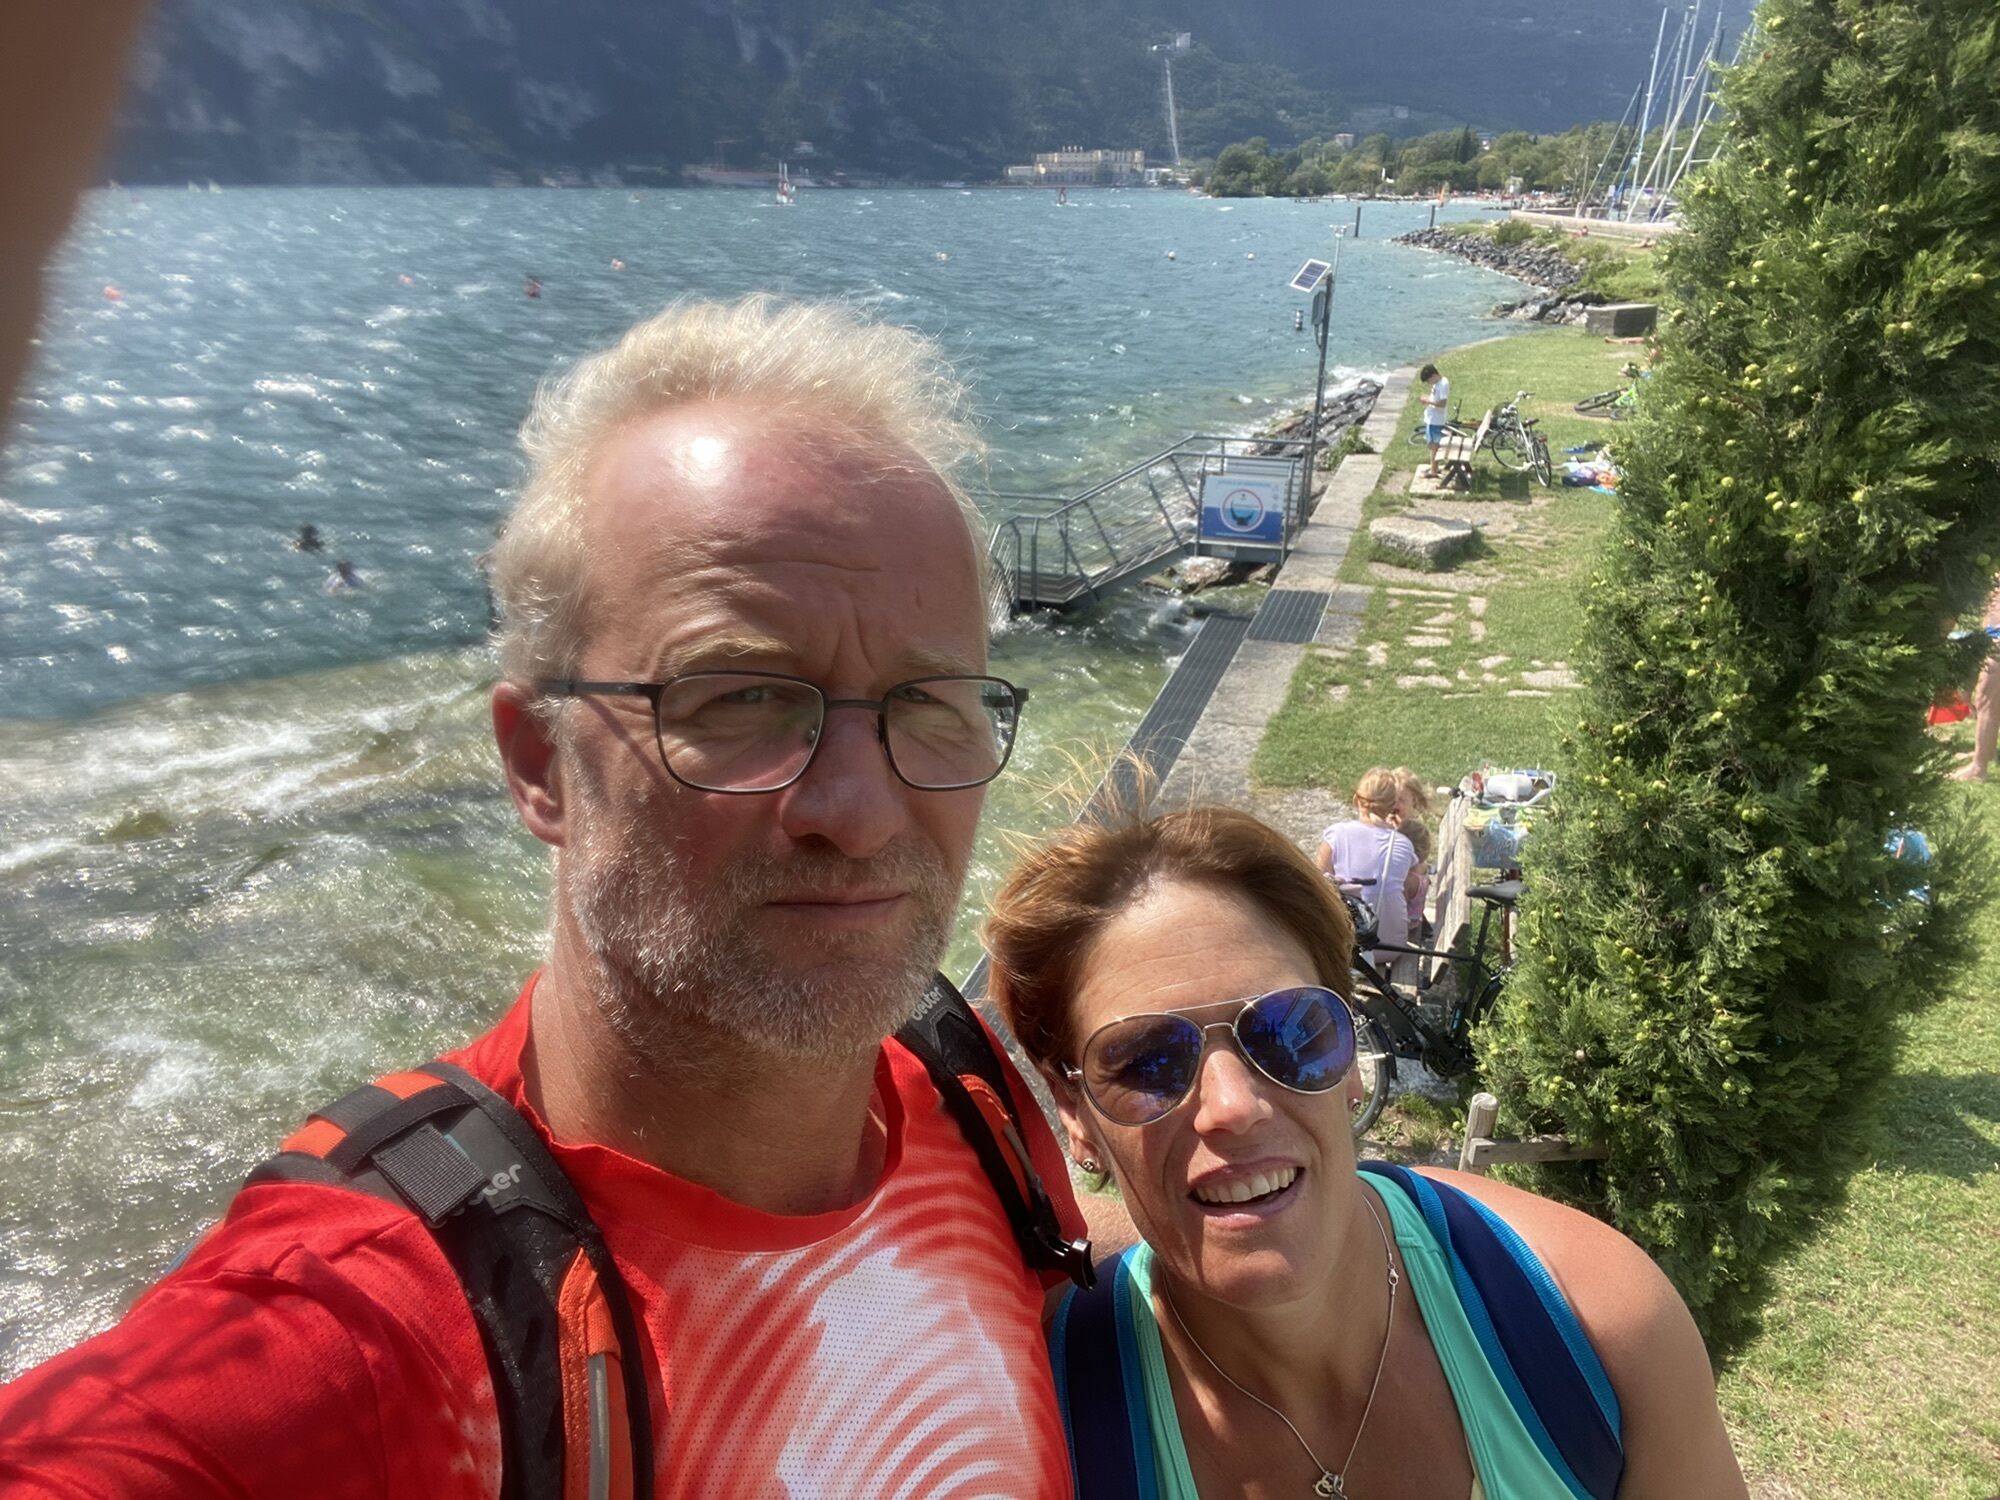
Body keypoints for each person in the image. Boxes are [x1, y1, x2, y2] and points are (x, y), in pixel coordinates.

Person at [0, 297, 1101, 1495]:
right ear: (538, 764)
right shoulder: (377, 1330)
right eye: (738, 697)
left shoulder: (966, 1100)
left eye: (928, 702)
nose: (860, 808)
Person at [984, 803, 1750, 1499]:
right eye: (1148, 1062)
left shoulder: (1594, 1321)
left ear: (1353, 1055)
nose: (1234, 1107)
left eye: (1290, 1031)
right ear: (1073, 1111)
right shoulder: (1039, 1432)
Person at [1315, 767, 1420, 963]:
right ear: (1392, 806)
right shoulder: (1402, 844)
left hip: (1346, 946)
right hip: (1390, 946)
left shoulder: (1336, 835)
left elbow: (1318, 884)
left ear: (1356, 800)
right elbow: (1413, 881)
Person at [1950, 581, 2000, 781]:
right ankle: (1986, 752)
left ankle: (1979, 768)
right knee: (1988, 702)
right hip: (1993, 637)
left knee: (1987, 702)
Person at [1390, 765, 1434, 938]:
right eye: (1390, 798)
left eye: (1401, 800)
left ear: (1413, 801)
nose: (1394, 804)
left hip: (1403, 913)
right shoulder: (1395, 826)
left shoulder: (1410, 833)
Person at [1418, 361, 1451, 479]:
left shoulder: (1443, 384)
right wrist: (1427, 398)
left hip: (1435, 420)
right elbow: (1435, 399)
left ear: (1433, 376)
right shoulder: (1438, 384)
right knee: (1432, 445)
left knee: (1433, 446)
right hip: (1431, 418)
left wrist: (1428, 401)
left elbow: (1442, 403)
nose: (1428, 383)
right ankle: (1434, 467)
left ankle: (1433, 471)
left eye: (1428, 380)